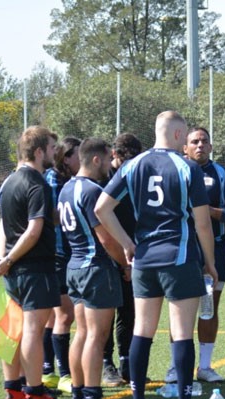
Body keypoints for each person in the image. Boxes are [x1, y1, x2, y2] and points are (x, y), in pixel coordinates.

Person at [96, 110, 218, 399]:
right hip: (177, 258)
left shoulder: (132, 165)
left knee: (142, 331)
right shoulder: (187, 167)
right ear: (178, 135)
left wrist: (126, 243)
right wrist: (210, 262)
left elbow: (101, 209)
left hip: (144, 260)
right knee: (181, 333)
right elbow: (203, 224)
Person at [0, 125, 69, 399]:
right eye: (51, 148)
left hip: (12, 271)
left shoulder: (9, 182)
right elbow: (34, 230)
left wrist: (2, 260)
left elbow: (4, 225)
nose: (54, 153)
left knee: (12, 331)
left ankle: (13, 391)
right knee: (33, 331)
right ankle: (35, 395)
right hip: (34, 267)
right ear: (38, 152)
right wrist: (10, 259)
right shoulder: (36, 183)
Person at [58, 137, 128, 399]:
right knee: (97, 337)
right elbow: (107, 239)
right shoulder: (91, 191)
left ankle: (78, 396)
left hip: (74, 266)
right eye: (108, 159)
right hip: (95, 268)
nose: (111, 165)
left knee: (83, 333)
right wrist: (125, 263)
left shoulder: (66, 188)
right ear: (96, 159)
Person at [163, 126, 225, 384]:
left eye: (204, 141)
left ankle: (204, 366)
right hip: (183, 249)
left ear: (211, 146)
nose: (200, 145)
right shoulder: (174, 171)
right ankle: (174, 367)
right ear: (185, 147)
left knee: (208, 309)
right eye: (194, 141)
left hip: (214, 248)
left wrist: (207, 212)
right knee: (180, 311)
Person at [102, 133, 143, 385]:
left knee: (129, 310)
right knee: (106, 313)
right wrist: (120, 259)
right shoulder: (103, 181)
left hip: (132, 253)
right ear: (113, 156)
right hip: (108, 255)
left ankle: (127, 362)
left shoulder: (137, 177)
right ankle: (107, 365)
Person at [42, 136, 81, 395]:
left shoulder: (69, 180)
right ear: (66, 158)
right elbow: (54, 217)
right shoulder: (54, 180)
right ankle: (64, 373)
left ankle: (48, 371)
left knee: (54, 316)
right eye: (77, 154)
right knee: (65, 315)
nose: (81, 159)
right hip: (58, 254)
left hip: (62, 255)